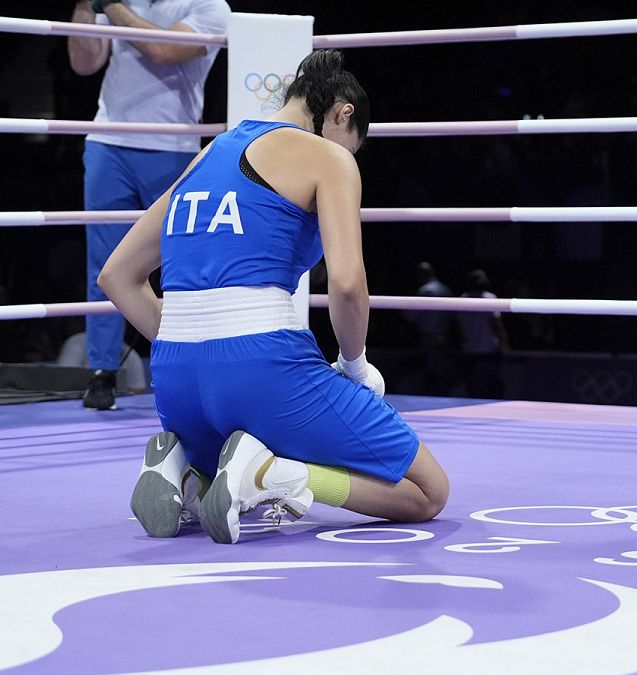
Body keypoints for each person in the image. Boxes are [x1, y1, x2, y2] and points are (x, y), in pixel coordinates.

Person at [98, 50, 449, 544]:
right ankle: (276, 474)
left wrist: (196, 342)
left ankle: (187, 471)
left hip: (176, 385)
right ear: (344, 114)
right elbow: (347, 285)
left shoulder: (208, 154)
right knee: (426, 492)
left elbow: (115, 276)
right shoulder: (329, 156)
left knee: (234, 441)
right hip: (263, 369)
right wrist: (355, 364)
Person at [69, 0, 230, 410]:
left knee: (180, 263)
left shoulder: (209, 6)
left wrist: (111, 6)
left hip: (172, 144)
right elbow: (84, 63)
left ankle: (183, 367)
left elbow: (163, 50)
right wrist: (86, 8)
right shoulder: (125, 4)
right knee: (103, 262)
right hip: (109, 140)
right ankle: (101, 373)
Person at [456, 269, 509, 398]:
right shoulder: (488, 298)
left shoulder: (464, 299)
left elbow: (459, 325)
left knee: (479, 387)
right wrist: (504, 345)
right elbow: (496, 324)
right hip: (483, 351)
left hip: (479, 350)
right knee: (478, 387)